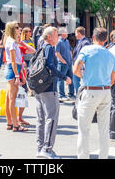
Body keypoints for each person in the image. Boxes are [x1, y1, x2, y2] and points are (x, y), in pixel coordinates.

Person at [72, 27, 115, 159]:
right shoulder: (110, 54)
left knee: (84, 129)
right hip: (106, 91)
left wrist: (83, 76)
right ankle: (103, 156)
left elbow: (75, 68)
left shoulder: (87, 50)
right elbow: (113, 78)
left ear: (93, 37)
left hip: (90, 90)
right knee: (104, 129)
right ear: (105, 39)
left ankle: (83, 157)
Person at [35, 26, 72, 159]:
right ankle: (47, 149)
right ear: (50, 36)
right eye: (56, 35)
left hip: (39, 88)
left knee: (41, 119)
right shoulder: (49, 47)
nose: (58, 37)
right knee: (51, 117)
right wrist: (64, 77)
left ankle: (40, 148)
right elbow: (50, 67)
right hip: (49, 87)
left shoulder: (40, 45)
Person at [4, 21, 28, 132]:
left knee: (9, 98)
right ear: (12, 29)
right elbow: (13, 61)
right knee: (12, 99)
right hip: (13, 70)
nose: (19, 29)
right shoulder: (12, 42)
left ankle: (10, 123)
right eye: (17, 27)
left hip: (12, 69)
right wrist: (18, 75)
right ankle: (15, 124)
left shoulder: (10, 41)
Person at [55, 27, 74, 102]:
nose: (67, 33)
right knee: (61, 79)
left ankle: (71, 94)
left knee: (70, 78)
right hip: (62, 64)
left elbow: (69, 51)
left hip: (69, 63)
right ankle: (61, 95)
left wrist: (70, 59)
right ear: (62, 33)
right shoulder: (59, 41)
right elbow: (57, 53)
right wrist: (63, 61)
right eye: (66, 32)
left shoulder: (66, 41)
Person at [72, 27, 91, 95]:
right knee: (76, 82)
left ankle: (79, 97)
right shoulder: (80, 41)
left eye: (76, 33)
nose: (75, 35)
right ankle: (79, 96)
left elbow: (85, 56)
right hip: (77, 65)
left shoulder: (85, 42)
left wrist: (83, 67)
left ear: (79, 33)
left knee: (79, 83)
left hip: (80, 67)